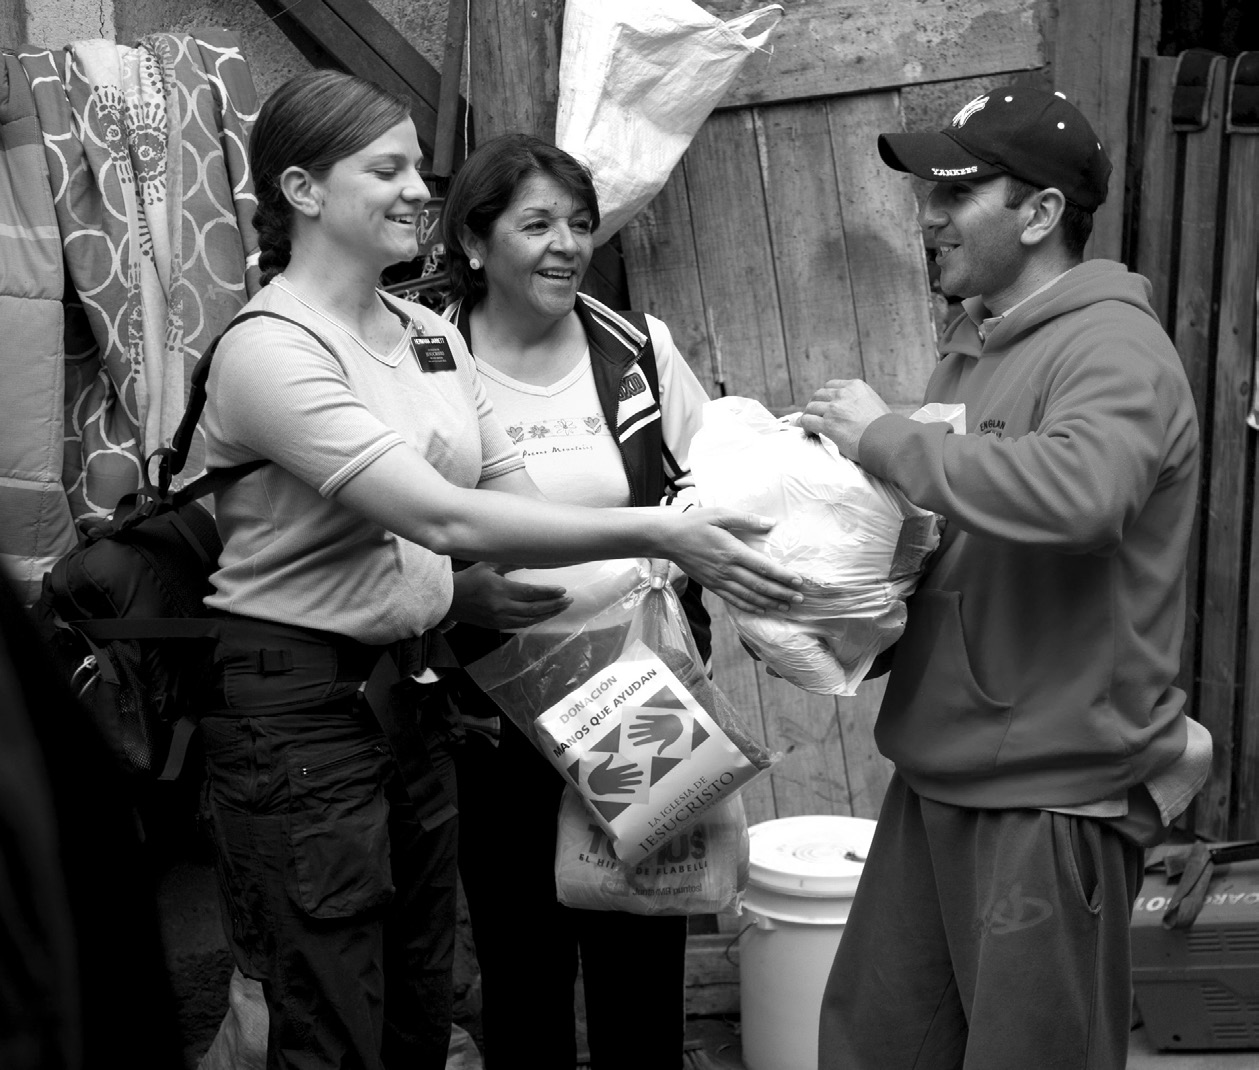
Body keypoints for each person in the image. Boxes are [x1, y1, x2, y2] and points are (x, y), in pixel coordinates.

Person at [197, 70, 803, 1070]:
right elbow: (440, 510)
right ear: (303, 191)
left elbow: (502, 502)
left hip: (518, 693)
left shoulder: (430, 339)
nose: (411, 190)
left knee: (455, 989)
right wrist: (654, 535)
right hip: (338, 712)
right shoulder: (273, 349)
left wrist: (700, 527)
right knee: (376, 998)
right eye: (384, 169)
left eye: (414, 169)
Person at [799, 85, 1211, 1070]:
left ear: (1037, 213)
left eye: (957, 192)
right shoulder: (973, 344)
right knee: (870, 1045)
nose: (926, 216)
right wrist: (849, 594)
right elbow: (964, 538)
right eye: (924, 193)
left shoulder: (1112, 346)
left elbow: (1079, 496)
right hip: (937, 770)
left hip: (1047, 795)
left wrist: (887, 437)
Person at [435, 133, 709, 1070]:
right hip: (492, 704)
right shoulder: (429, 358)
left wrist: (682, 566)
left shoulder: (635, 348)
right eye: (537, 223)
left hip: (634, 691)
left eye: (580, 224)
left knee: (642, 949)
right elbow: (382, 512)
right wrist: (451, 590)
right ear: (474, 242)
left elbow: (703, 485)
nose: (567, 245)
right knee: (521, 962)